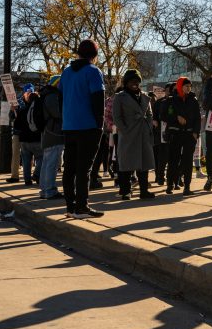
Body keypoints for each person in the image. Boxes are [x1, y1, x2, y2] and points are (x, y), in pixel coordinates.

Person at [60, 39, 106, 219]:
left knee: (69, 167)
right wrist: (99, 124)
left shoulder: (66, 73)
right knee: (84, 168)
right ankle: (82, 206)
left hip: (69, 126)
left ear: (78, 53)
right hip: (88, 126)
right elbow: (98, 98)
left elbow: (60, 97)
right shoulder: (93, 72)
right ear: (94, 55)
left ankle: (70, 206)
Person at [112, 69, 156, 200]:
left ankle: (144, 191)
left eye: (137, 81)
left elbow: (149, 114)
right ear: (126, 83)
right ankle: (126, 191)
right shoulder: (120, 97)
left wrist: (148, 126)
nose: (135, 83)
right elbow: (117, 117)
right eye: (131, 81)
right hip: (128, 134)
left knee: (144, 164)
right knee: (126, 164)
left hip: (143, 134)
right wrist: (125, 130)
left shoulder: (144, 96)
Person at [164, 76, 201, 195]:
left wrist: (196, 132)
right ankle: (170, 184)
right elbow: (164, 115)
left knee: (187, 161)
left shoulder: (193, 100)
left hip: (189, 134)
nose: (188, 89)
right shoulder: (171, 100)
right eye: (186, 86)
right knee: (173, 160)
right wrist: (176, 117)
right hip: (175, 134)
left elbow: (197, 118)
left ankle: (187, 187)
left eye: (190, 86)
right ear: (180, 86)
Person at [39, 75, 64, 200]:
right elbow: (57, 114)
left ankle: (44, 190)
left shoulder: (46, 95)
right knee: (52, 164)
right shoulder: (53, 96)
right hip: (54, 133)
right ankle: (49, 190)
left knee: (47, 163)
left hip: (48, 132)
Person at [15, 91, 44, 188]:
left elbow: (16, 125)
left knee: (26, 161)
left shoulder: (22, 110)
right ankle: (36, 174)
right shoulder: (40, 109)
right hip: (37, 139)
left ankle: (27, 180)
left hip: (24, 139)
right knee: (41, 158)